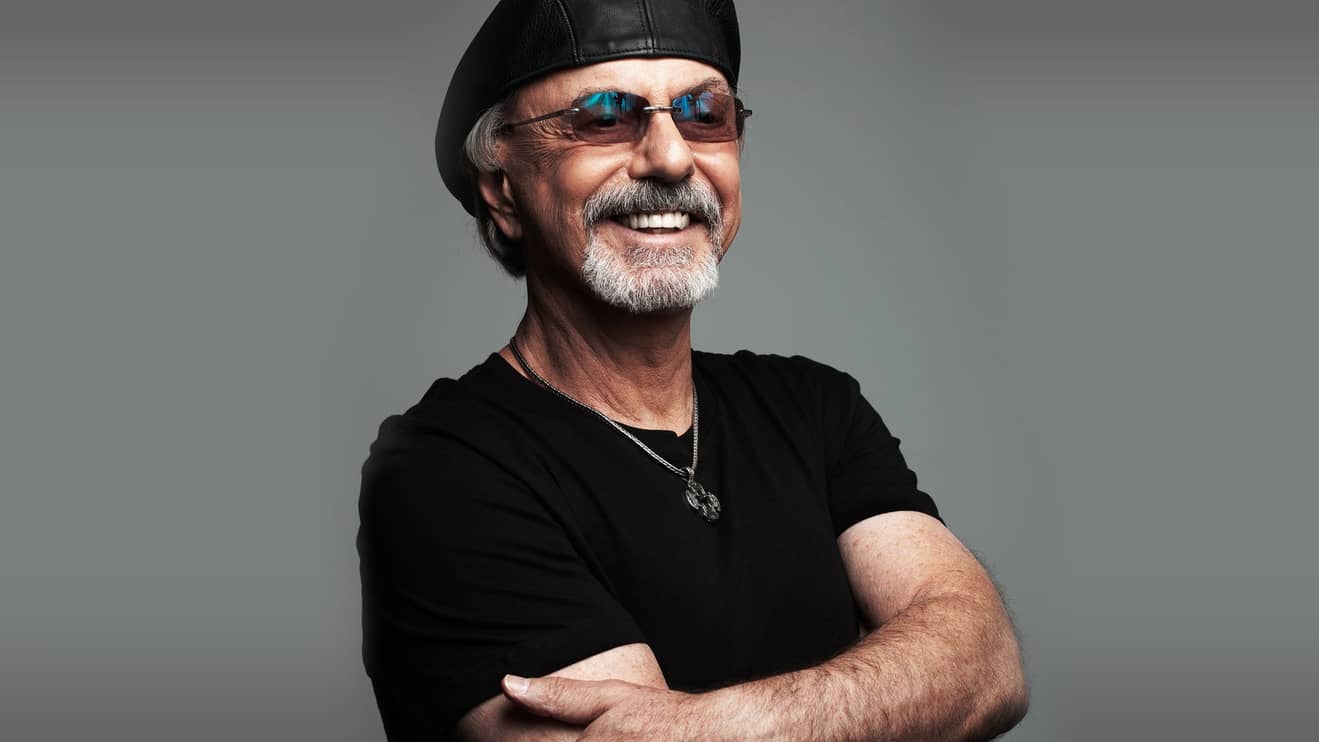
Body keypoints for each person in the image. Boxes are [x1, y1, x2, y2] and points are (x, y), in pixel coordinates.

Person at [357, 1, 1029, 739]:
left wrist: (708, 725)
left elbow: (986, 663)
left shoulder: (814, 407)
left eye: (704, 114)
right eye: (604, 116)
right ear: (502, 188)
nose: (672, 159)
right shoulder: (443, 469)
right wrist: (895, 693)